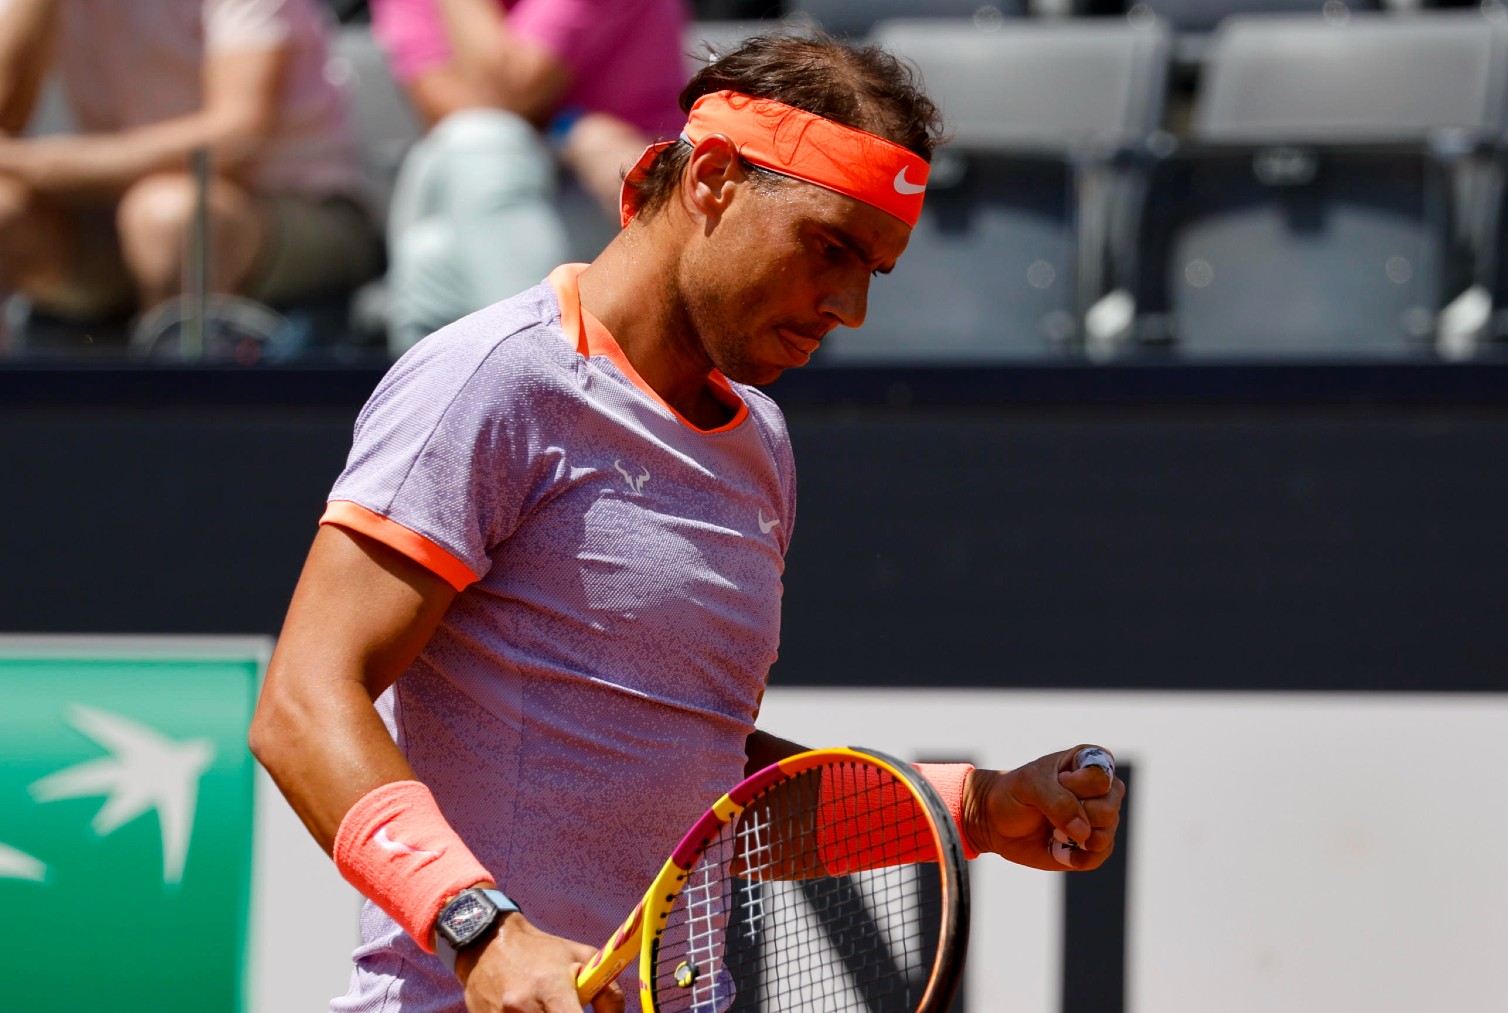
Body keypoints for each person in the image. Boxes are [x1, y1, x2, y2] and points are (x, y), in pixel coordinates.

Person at [248, 33, 1126, 1013]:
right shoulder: (493, 379)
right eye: (830, 246)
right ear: (711, 176)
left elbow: (711, 799)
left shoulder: (762, 447)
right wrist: (484, 934)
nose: (850, 307)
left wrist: (979, 805)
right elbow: (301, 701)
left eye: (876, 269)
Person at [0, 0, 380, 334]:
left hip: (302, 206)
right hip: (122, 212)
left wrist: (44, 165)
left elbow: (233, 139)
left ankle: (178, 410)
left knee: (168, 220)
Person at [370, 0, 690, 353]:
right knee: (475, 146)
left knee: (428, 256)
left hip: (626, 199)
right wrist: (567, 128)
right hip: (499, 180)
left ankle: (537, 372)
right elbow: (448, 109)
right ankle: (544, 374)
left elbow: (510, 87)